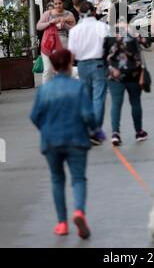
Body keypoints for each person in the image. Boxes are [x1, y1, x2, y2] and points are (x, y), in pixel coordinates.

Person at [31, 49, 96, 239]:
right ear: (69, 65)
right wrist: (95, 130)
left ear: (52, 66)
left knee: (57, 180)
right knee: (78, 179)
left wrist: (46, 129)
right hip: (76, 139)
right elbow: (88, 115)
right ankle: (79, 212)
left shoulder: (44, 90)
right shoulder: (79, 87)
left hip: (51, 141)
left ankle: (61, 223)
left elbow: (35, 116)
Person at [68, 1, 109, 145]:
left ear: (80, 14)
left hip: (82, 66)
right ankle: (95, 130)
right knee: (98, 98)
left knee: (87, 98)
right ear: (93, 11)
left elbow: (71, 53)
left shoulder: (75, 31)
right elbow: (109, 47)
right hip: (98, 64)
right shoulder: (102, 27)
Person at [103, 20, 150, 146]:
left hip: (115, 74)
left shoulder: (108, 33)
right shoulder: (133, 31)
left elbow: (103, 53)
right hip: (133, 73)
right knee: (135, 102)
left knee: (116, 103)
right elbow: (146, 43)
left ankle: (115, 133)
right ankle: (139, 131)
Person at [37, 0, 75, 83]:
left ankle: (61, 89)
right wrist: (50, 23)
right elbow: (38, 26)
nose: (58, 5)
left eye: (60, 3)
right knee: (48, 69)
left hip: (63, 44)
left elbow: (74, 29)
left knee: (62, 70)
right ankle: (45, 91)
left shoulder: (69, 14)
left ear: (63, 3)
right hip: (48, 44)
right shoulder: (48, 14)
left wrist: (64, 25)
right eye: (56, 4)